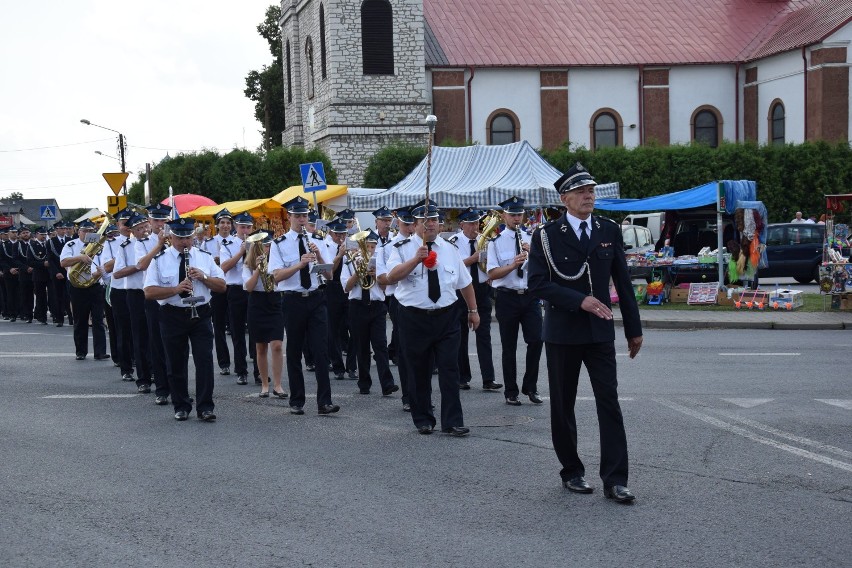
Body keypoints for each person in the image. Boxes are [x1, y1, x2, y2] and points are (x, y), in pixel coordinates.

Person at [527, 162, 643, 504]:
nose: (588, 196)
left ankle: (615, 479)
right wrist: (581, 301)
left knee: (609, 403)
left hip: (599, 333)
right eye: (581, 191)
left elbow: (623, 280)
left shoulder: (607, 229)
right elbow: (537, 284)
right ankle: (572, 471)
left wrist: (633, 329)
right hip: (563, 333)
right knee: (562, 405)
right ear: (565, 199)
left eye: (591, 190)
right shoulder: (546, 236)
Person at [386, 200, 479, 436]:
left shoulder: (449, 249)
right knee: (419, 370)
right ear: (415, 225)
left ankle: (452, 421)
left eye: (435, 220)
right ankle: (423, 418)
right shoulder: (401, 247)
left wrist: (473, 310)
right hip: (414, 317)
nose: (431, 225)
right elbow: (391, 277)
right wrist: (415, 260)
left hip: (447, 316)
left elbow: (464, 283)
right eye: (425, 221)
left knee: (450, 369)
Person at [143, 217, 226, 422]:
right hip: (173, 314)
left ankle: (205, 406)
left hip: (201, 313)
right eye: (180, 238)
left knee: (204, 361)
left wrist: (204, 277)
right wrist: (175, 289)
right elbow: (149, 292)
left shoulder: (204, 257)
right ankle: (181, 405)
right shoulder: (160, 260)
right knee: (175, 363)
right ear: (171, 237)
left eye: (188, 237)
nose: (185, 242)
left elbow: (222, 286)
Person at [268, 196, 340, 416]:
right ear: (289, 217)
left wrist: (317, 254)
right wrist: (300, 263)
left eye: (304, 216)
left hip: (317, 298)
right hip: (293, 300)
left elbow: (329, 275)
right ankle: (297, 400)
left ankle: (324, 402)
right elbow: (276, 276)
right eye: (297, 216)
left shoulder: (317, 239)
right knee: (294, 350)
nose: (301, 219)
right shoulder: (278, 244)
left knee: (320, 350)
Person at [486, 196, 543, 405]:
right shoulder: (495, 242)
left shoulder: (532, 238)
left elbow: (543, 269)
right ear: (504, 216)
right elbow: (492, 273)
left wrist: (533, 254)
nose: (516, 218)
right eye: (512, 215)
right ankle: (511, 391)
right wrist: (512, 265)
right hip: (507, 298)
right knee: (509, 347)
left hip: (530, 297)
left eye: (519, 214)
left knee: (537, 340)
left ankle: (531, 386)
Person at [341, 229, 399, 397]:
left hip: (377, 306)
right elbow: (346, 287)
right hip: (357, 306)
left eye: (373, 247)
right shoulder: (349, 261)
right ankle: (364, 382)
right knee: (362, 346)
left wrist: (377, 277)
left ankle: (387, 384)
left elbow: (385, 288)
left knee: (380, 346)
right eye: (367, 246)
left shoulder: (380, 262)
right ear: (360, 246)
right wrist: (358, 273)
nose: (370, 250)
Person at [452, 207, 500, 392]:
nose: (475, 227)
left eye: (476, 223)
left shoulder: (485, 240)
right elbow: (454, 267)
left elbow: (491, 264)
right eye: (471, 223)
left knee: (484, 336)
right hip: (461, 291)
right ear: (462, 224)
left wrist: (490, 273)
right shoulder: (454, 242)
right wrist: (472, 259)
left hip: (481, 290)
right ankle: (462, 377)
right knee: (461, 336)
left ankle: (488, 378)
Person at [376, 206, 416, 411]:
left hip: (418, 299)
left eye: (412, 223)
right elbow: (382, 276)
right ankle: (408, 396)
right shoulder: (388, 246)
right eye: (406, 223)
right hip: (398, 299)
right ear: (398, 223)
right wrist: (397, 275)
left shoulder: (422, 244)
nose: (409, 227)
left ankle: (421, 394)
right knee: (404, 347)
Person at [113, 212, 154, 394]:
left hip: (155, 293)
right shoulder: (125, 246)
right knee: (140, 337)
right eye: (139, 229)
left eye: (146, 226)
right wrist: (137, 267)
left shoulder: (158, 242)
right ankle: (143, 378)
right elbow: (117, 273)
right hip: (136, 293)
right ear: (132, 231)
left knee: (157, 336)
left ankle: (156, 372)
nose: (144, 231)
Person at [242, 229, 287, 399]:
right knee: (260, 347)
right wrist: (257, 270)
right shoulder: (247, 265)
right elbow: (249, 287)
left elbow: (280, 280)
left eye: (268, 245)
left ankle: (278, 385)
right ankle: (265, 385)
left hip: (274, 301)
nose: (266, 249)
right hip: (257, 303)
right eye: (262, 245)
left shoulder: (276, 262)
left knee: (276, 345)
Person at [59, 220, 109, 361]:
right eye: (84, 230)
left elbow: (105, 261)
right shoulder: (71, 245)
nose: (88, 233)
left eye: (91, 231)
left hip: (96, 285)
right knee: (80, 320)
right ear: (78, 232)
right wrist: (80, 258)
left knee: (98, 319)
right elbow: (63, 262)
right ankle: (81, 351)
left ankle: (100, 352)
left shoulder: (101, 245)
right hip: (77, 287)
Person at [219, 212, 257, 385]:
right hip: (235, 290)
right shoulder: (227, 244)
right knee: (238, 332)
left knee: (256, 331)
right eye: (242, 227)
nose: (246, 231)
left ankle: (259, 371)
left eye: (248, 227)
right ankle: (241, 371)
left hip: (253, 289)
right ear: (236, 227)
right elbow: (224, 267)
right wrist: (241, 251)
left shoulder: (258, 242)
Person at [201, 209, 233, 376]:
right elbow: (204, 264)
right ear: (217, 225)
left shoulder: (236, 242)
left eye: (228, 223)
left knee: (237, 325)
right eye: (222, 223)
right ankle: (224, 362)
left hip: (234, 286)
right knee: (219, 325)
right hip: (217, 287)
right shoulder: (209, 243)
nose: (225, 226)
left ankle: (243, 360)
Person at [26, 226, 51, 324]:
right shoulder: (32, 246)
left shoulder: (49, 244)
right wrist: (42, 264)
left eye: (45, 234)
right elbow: (30, 261)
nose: (44, 236)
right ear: (36, 234)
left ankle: (56, 316)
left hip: (49, 274)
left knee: (52, 296)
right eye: (42, 234)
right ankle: (42, 316)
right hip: (39, 275)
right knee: (41, 297)